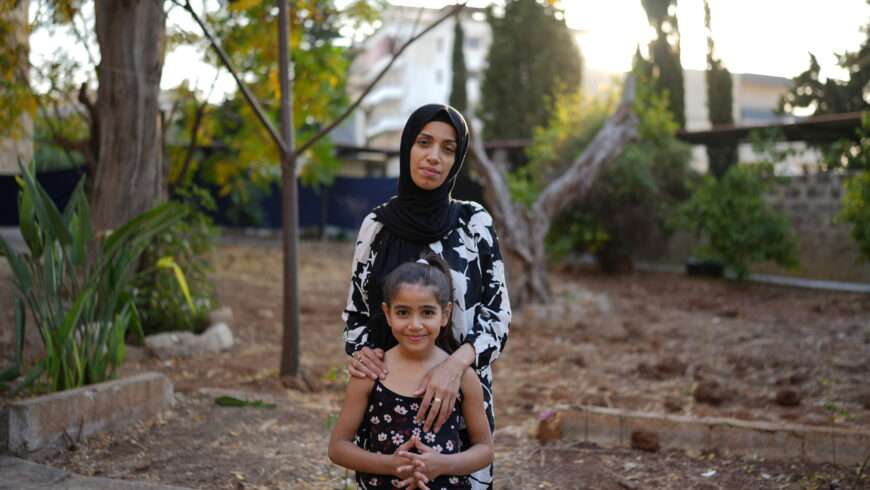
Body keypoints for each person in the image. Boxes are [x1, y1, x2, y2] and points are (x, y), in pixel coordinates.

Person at [342, 104, 510, 489]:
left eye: (449, 149)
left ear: (457, 159)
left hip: (460, 400)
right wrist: (363, 353)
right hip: (388, 403)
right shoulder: (377, 226)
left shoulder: (474, 224)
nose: (434, 156)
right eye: (424, 142)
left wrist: (454, 368)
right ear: (407, 147)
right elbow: (355, 316)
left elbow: (497, 316)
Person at [329, 255, 493, 489]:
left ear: (445, 314)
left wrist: (443, 465)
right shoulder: (370, 373)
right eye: (403, 312)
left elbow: (485, 450)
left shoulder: (462, 377)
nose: (415, 325)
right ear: (387, 314)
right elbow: (338, 448)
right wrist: (391, 465)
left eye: (427, 313)